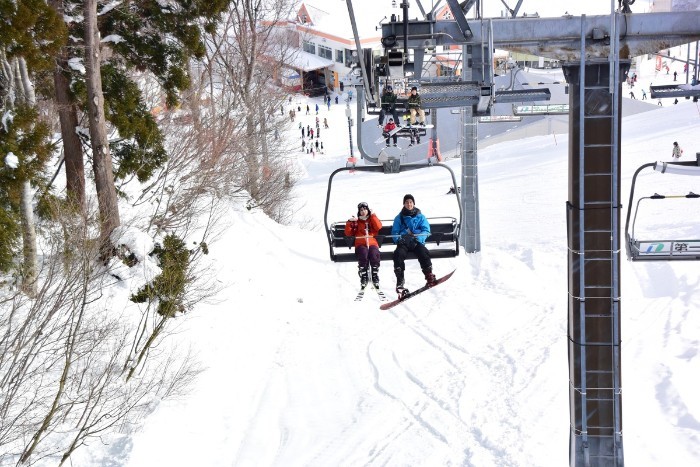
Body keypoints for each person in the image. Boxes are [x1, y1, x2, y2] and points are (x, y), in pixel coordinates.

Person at [391, 194, 436, 295]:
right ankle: (400, 282)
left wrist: (419, 238)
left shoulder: (420, 217)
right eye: (407, 202)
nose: (409, 204)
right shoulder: (399, 218)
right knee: (398, 254)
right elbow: (395, 231)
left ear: (414, 203)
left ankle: (429, 274)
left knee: (423, 251)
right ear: (404, 204)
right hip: (404, 241)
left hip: (416, 241)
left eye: (410, 202)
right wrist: (399, 239)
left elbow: (426, 230)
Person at [345, 202, 382, 288]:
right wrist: (350, 223)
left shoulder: (372, 219)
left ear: (368, 210)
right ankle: (364, 274)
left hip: (372, 242)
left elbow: (378, 227)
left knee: (374, 253)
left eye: (365, 209)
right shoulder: (357, 222)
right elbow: (348, 233)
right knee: (363, 253)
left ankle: (375, 274)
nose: (363, 211)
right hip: (360, 244)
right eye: (361, 210)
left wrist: (373, 215)